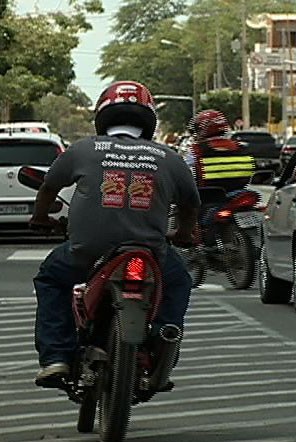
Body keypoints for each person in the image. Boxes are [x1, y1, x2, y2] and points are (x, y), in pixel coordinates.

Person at [31, 81, 201, 388]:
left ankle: (56, 356)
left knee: (51, 279)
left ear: (102, 117)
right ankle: (164, 338)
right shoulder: (169, 157)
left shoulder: (83, 149)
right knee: (179, 281)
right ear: (149, 120)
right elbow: (190, 204)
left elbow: (48, 188)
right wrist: (185, 234)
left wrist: (40, 218)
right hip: (151, 253)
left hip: (88, 251)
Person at [186, 110, 255, 241]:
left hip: (209, 196)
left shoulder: (197, 149)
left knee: (191, 214)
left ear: (202, 128)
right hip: (240, 192)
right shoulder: (239, 147)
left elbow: (184, 169)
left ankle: (201, 241)